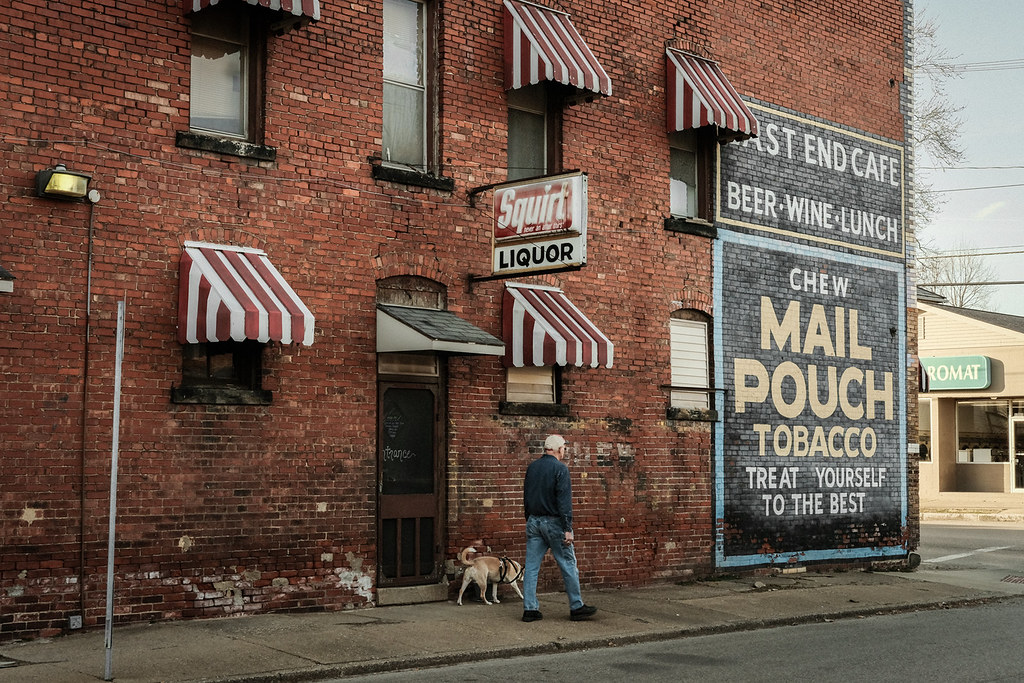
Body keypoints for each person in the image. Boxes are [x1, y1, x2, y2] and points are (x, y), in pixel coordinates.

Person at [521, 434, 597, 622]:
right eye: (564, 447)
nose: (565, 450)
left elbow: (526, 496)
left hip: (533, 521)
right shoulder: (560, 469)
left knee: (531, 567)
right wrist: (567, 528)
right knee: (567, 563)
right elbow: (564, 502)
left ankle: (530, 609)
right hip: (554, 523)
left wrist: (529, 519)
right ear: (557, 449)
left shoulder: (532, 467)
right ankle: (576, 606)